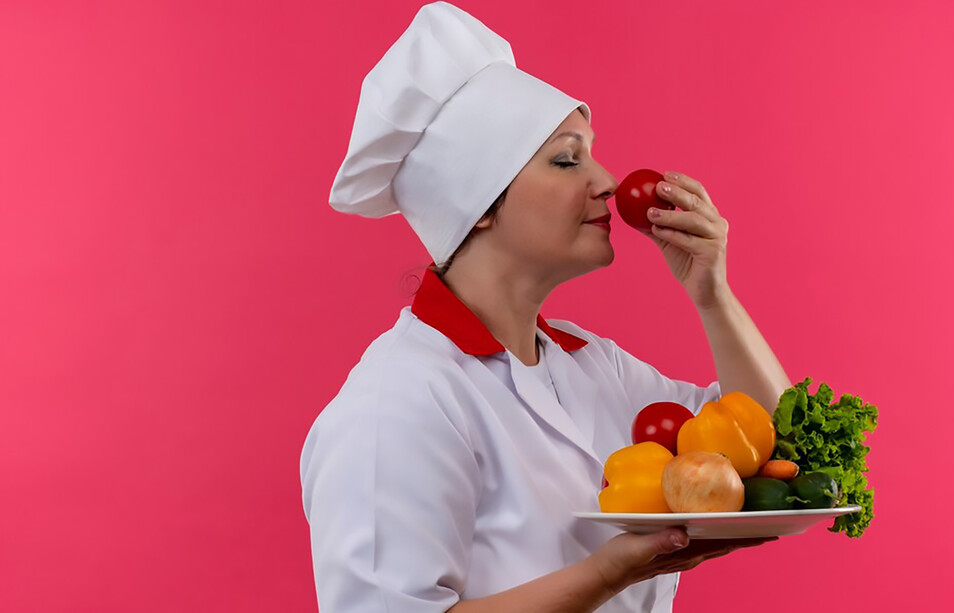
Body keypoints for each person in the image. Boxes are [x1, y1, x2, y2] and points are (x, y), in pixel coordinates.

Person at [300, 3, 791, 612]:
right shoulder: (397, 400)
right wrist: (605, 574)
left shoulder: (592, 366)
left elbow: (772, 448)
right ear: (476, 202)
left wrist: (713, 296)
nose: (608, 181)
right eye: (567, 158)